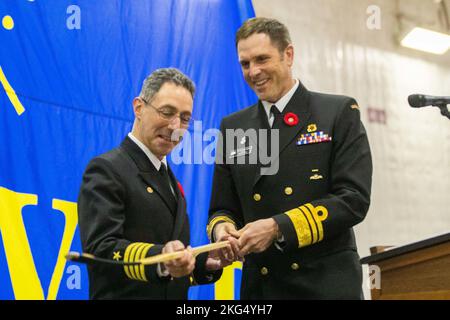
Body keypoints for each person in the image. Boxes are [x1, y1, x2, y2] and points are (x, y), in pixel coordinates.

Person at [207, 17, 372, 299]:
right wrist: (223, 231)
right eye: (245, 64)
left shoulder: (337, 112)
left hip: (323, 284)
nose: (253, 71)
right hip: (261, 287)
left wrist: (276, 228)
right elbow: (222, 208)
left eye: (262, 59)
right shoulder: (233, 126)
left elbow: (353, 199)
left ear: (288, 55)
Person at [78, 68, 228, 299]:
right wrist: (163, 259)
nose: (175, 126)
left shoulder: (171, 181)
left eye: (185, 118)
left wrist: (205, 262)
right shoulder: (107, 169)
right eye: (167, 112)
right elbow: (101, 250)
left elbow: (168, 277)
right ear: (139, 107)